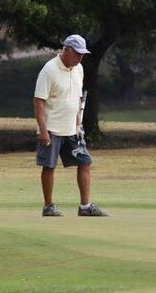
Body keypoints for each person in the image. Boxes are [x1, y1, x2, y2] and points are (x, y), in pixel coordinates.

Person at [33, 34, 107, 217]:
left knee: (85, 163)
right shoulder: (49, 70)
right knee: (49, 166)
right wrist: (43, 131)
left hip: (72, 130)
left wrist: (78, 123)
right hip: (51, 128)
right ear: (66, 50)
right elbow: (39, 101)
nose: (80, 58)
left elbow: (78, 96)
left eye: (82, 54)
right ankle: (48, 206)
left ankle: (85, 206)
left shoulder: (79, 68)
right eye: (77, 53)